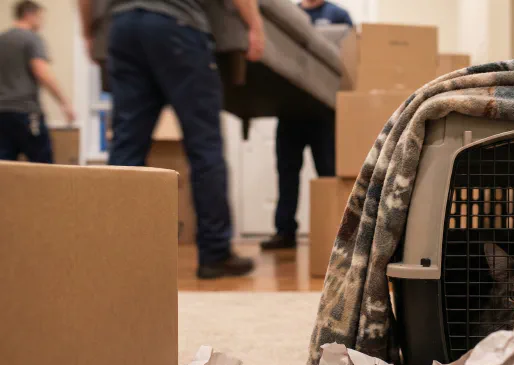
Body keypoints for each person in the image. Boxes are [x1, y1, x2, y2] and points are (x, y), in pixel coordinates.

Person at [78, 0, 265, 279]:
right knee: (204, 146)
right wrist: (255, 26)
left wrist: (88, 32)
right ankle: (214, 254)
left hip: (123, 28)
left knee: (126, 148)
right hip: (178, 27)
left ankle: (115, 254)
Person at [260, 0, 352, 251]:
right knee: (287, 174)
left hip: (324, 112)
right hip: (289, 110)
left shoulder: (338, 15)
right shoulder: (291, 14)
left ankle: (337, 232)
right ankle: (284, 232)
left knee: (329, 173)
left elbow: (352, 58)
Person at [0, 1, 75, 163]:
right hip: (26, 112)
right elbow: (41, 70)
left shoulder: (2, 39)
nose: (42, 23)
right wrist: (64, 102)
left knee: (4, 168)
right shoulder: (31, 38)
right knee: (43, 166)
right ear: (29, 15)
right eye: (40, 18)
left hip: (2, 113)